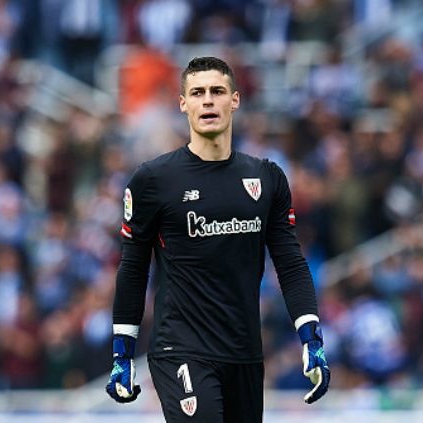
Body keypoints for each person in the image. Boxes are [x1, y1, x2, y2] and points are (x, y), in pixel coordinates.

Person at [105, 56, 330, 422]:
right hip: (180, 347)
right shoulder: (153, 181)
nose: (207, 100)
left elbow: (289, 261)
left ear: (235, 100)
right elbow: (133, 267)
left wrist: (311, 336)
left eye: (217, 91)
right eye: (197, 92)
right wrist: (122, 351)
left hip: (244, 351)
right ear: (183, 104)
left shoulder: (267, 178)